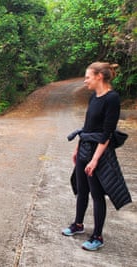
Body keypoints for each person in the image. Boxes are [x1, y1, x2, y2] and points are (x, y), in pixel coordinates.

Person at [62, 62, 132, 251]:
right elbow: (87, 126)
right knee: (81, 189)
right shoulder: (94, 96)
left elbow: (107, 133)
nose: (85, 81)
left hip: (98, 152)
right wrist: (78, 148)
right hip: (85, 147)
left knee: (97, 194)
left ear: (99, 76)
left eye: (88, 77)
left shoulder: (112, 99)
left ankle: (97, 236)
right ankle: (78, 224)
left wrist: (95, 160)